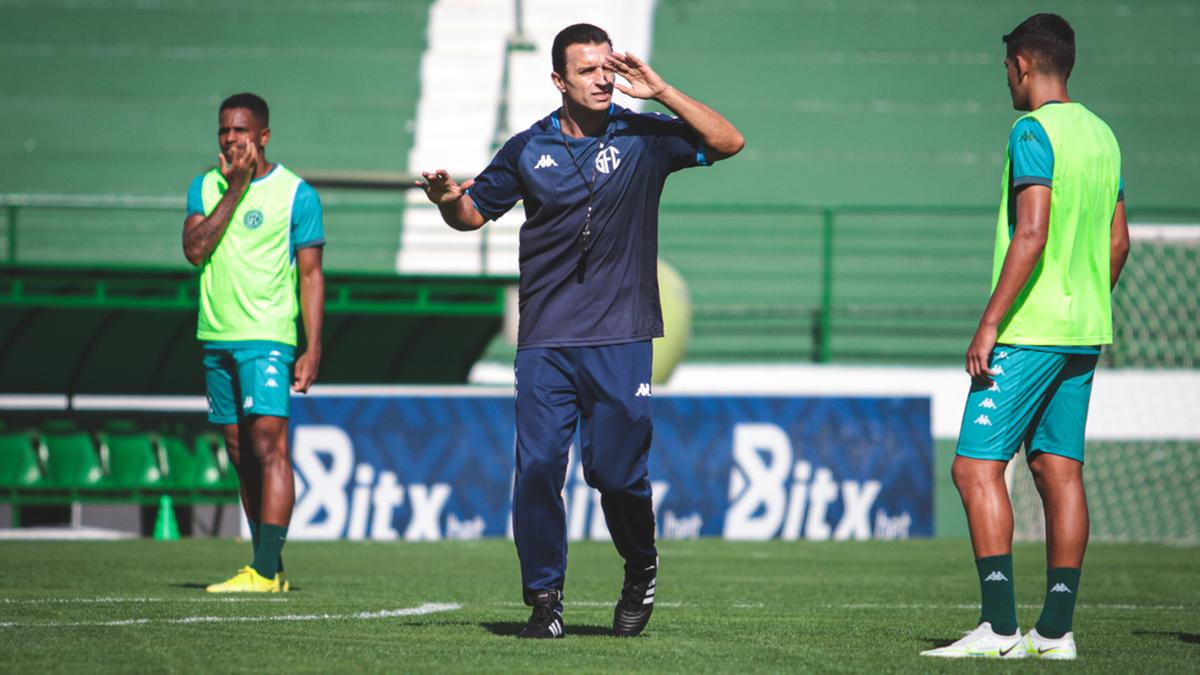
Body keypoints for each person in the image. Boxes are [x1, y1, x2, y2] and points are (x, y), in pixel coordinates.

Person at [418, 23, 743, 638]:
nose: (601, 78)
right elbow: (472, 214)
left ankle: (640, 566)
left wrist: (661, 90)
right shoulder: (526, 148)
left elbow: (729, 141)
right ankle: (545, 600)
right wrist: (445, 199)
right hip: (545, 339)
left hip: (622, 337)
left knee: (617, 474)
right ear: (558, 80)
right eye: (587, 70)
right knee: (538, 466)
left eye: (606, 67)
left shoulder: (644, 135)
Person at [921, 14, 1127, 659]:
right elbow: (1117, 241)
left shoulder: (1033, 130)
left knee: (974, 466)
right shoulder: (1102, 135)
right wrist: (1085, 300)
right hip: (1084, 329)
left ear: (1023, 66)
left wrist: (989, 322)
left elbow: (1031, 233)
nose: (1006, 79)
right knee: (1058, 469)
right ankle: (1056, 634)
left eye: (1006, 68)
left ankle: (1000, 628)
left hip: (1029, 330)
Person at [183, 92, 326, 593]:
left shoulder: (296, 194)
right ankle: (269, 564)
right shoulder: (205, 186)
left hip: (267, 336)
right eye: (224, 130)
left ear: (263, 135)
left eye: (240, 131)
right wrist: (235, 188)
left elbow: (311, 276)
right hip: (215, 336)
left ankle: (264, 571)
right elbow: (195, 250)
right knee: (240, 450)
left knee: (270, 446)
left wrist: (312, 346)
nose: (230, 138)